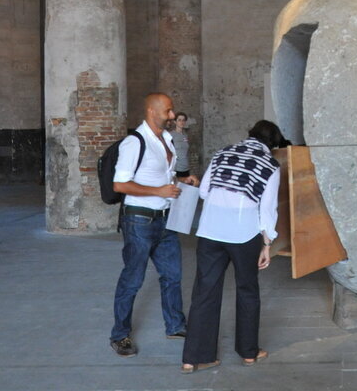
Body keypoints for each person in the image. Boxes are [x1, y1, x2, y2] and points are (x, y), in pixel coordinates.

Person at [180, 120, 286, 373]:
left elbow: (204, 192)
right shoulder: (270, 165)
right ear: (272, 144)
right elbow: (267, 208)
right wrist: (267, 243)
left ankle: (194, 357)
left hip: (210, 230)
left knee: (204, 292)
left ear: (250, 134)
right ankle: (248, 353)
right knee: (247, 290)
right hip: (243, 233)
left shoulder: (223, 153)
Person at [109, 93, 199, 357]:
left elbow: (164, 178)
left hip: (165, 220)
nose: (172, 116)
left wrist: (183, 181)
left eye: (172, 112)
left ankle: (175, 326)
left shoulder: (167, 140)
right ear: (152, 111)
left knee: (172, 276)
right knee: (133, 279)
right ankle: (120, 335)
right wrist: (157, 191)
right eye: (168, 111)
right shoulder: (134, 143)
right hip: (139, 220)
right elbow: (120, 184)